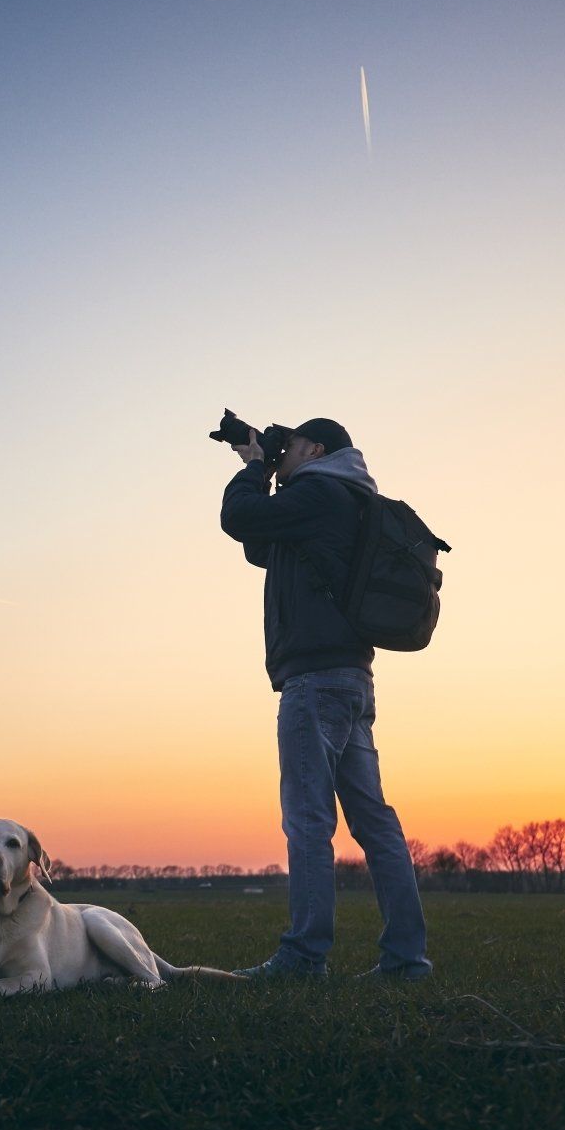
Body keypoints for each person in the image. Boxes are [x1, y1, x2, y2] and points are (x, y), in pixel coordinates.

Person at [220, 417, 431, 980]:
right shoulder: (348, 500)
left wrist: (259, 470)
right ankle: (407, 959)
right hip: (350, 679)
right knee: (374, 823)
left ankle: (304, 956)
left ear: (316, 449)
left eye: (290, 447)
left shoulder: (319, 490)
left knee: (308, 821)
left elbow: (238, 519)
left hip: (316, 682)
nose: (281, 454)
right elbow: (261, 547)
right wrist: (256, 460)